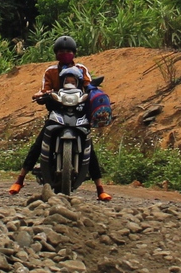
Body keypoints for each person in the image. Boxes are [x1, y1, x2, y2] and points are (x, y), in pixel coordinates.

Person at [8, 35, 109, 201]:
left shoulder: (81, 70)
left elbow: (88, 85)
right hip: (57, 111)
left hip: (78, 111)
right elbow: (44, 89)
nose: (65, 53)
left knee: (88, 145)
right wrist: (42, 95)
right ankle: (20, 179)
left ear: (74, 53)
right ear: (56, 53)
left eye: (68, 51)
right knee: (39, 142)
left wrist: (94, 92)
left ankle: (100, 187)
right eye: (61, 51)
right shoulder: (51, 72)